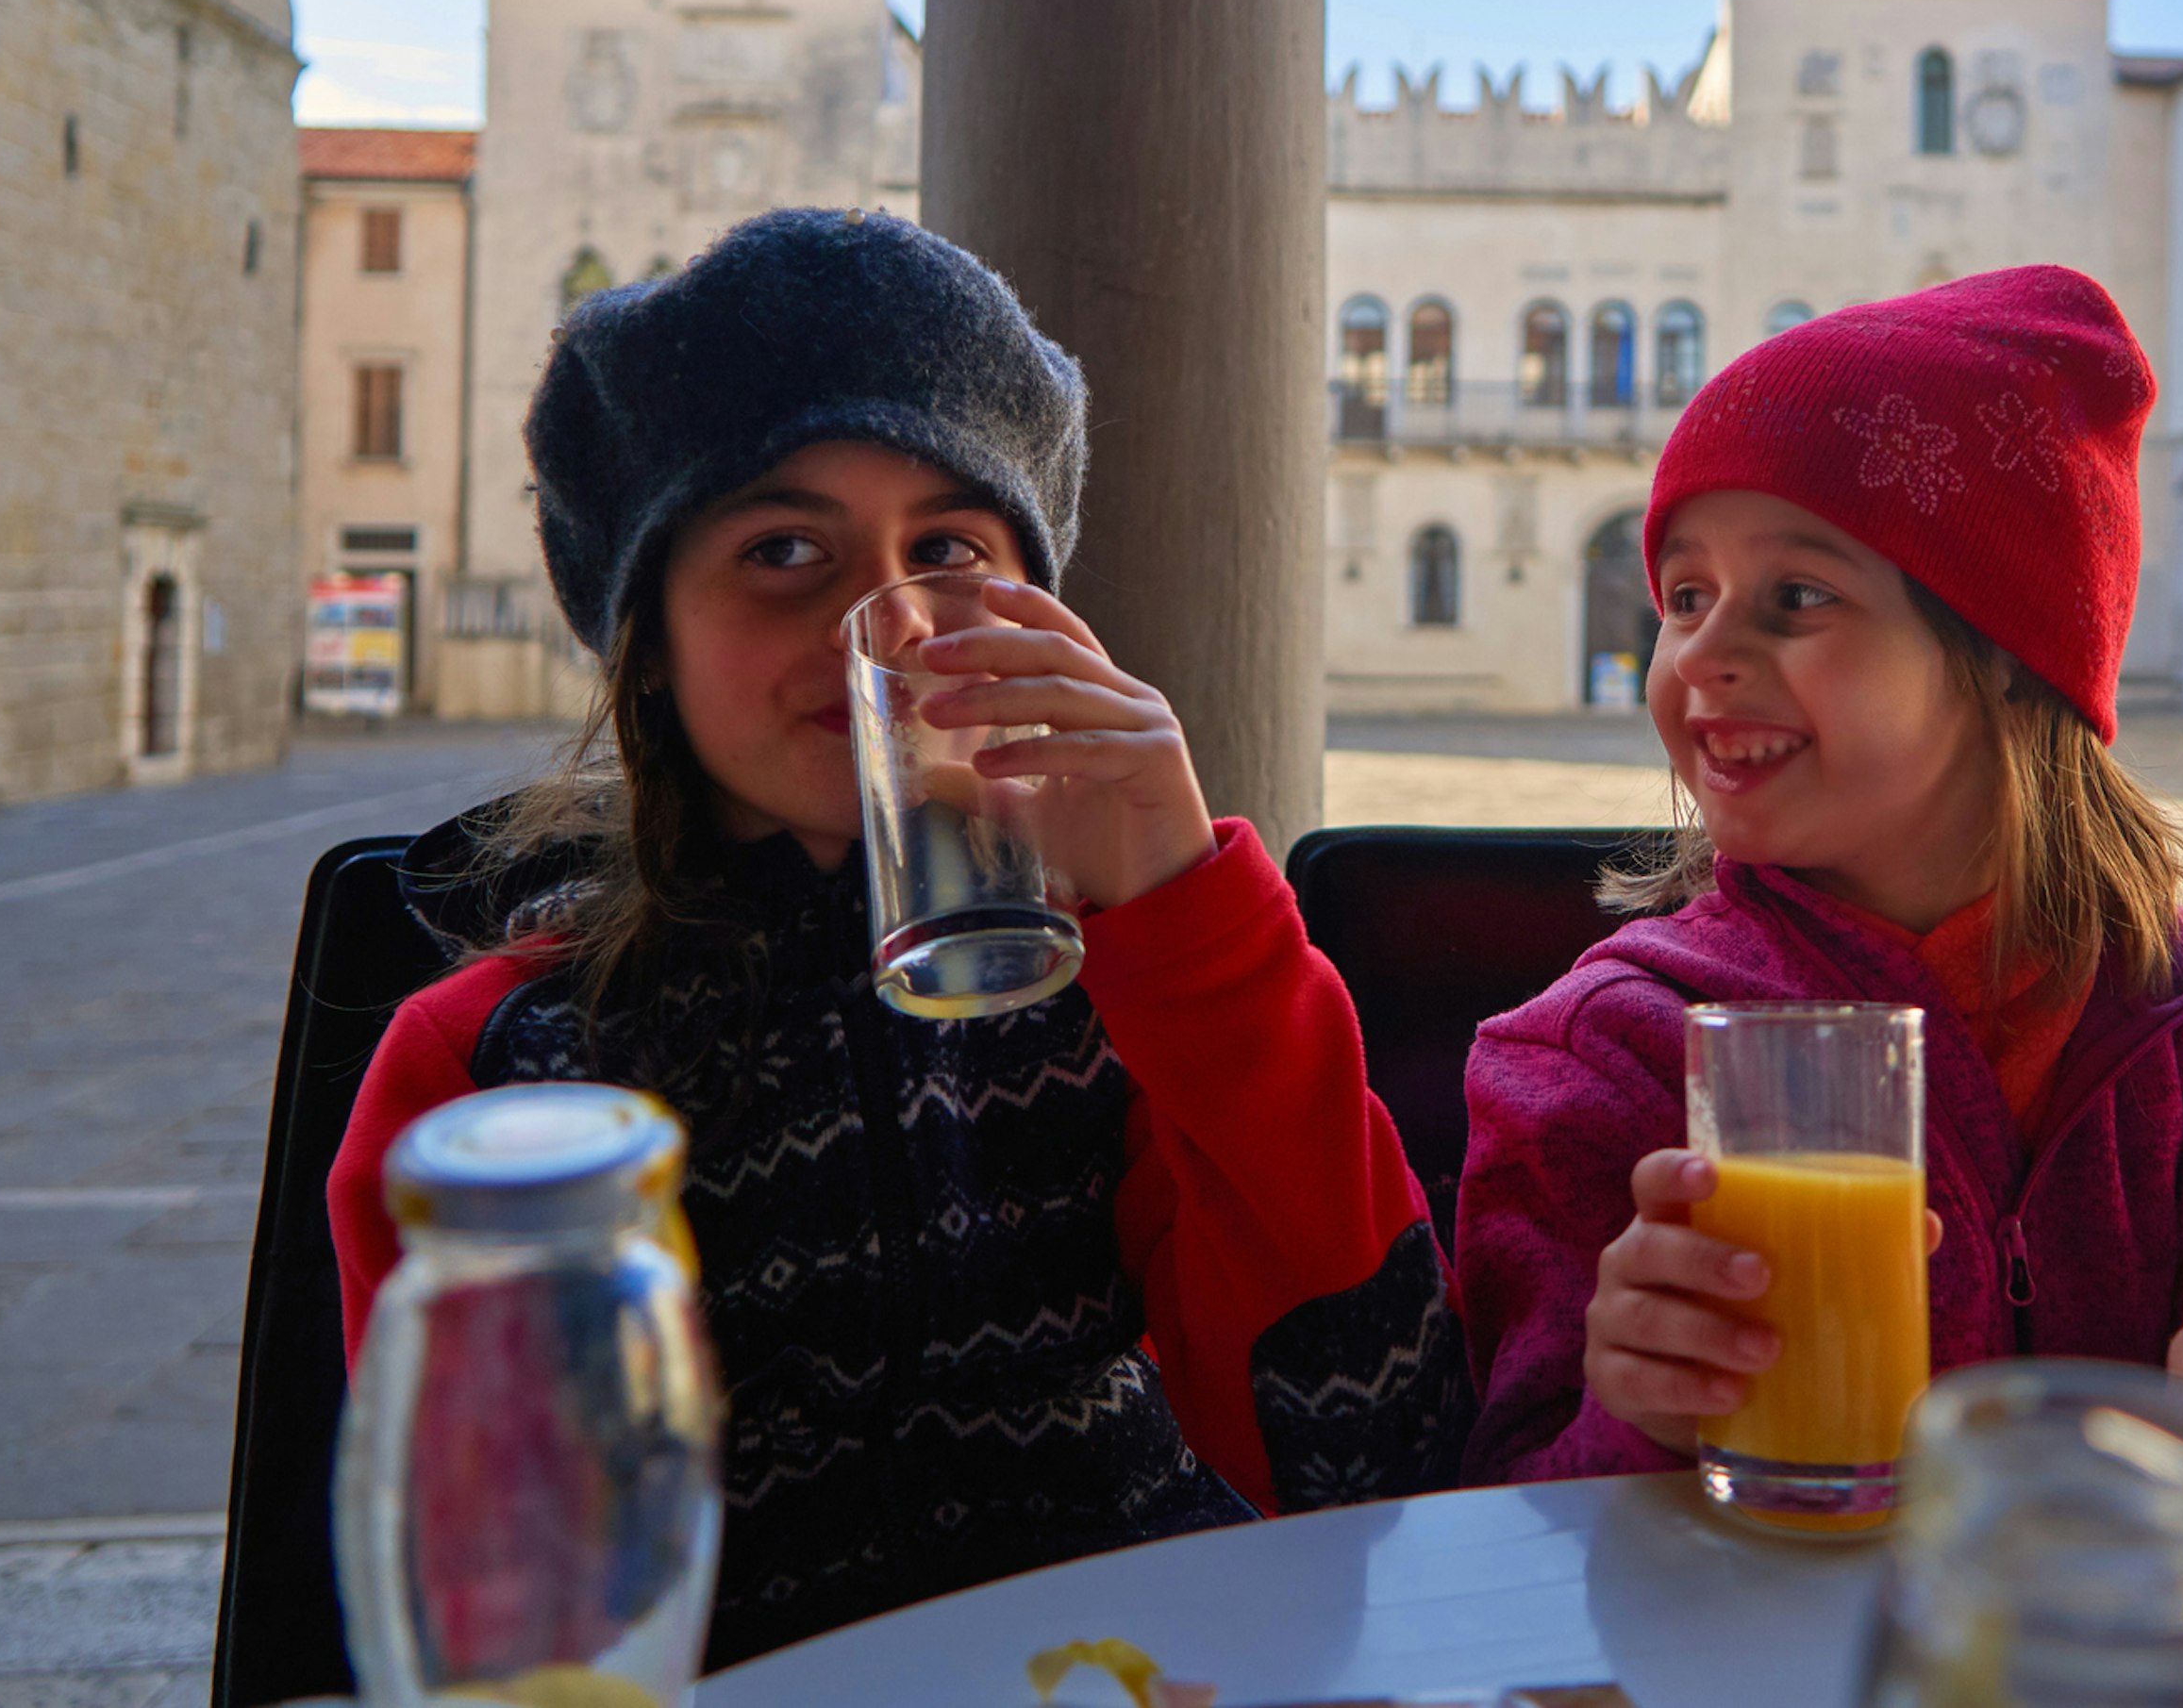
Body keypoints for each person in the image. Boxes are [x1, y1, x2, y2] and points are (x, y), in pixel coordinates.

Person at [328, 210, 1465, 1667]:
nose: (886, 618)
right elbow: (499, 1627)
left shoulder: (1129, 989)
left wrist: (1196, 920)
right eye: (782, 546)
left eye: (947, 548)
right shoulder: (495, 1075)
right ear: (649, 644)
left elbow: (1374, 1452)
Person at [1454, 268, 2183, 1582]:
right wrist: (1633, 1408)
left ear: (2002, 651)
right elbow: (1503, 1524)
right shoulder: (1604, 1049)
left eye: (1797, 596)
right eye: (1684, 596)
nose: (1701, 653)